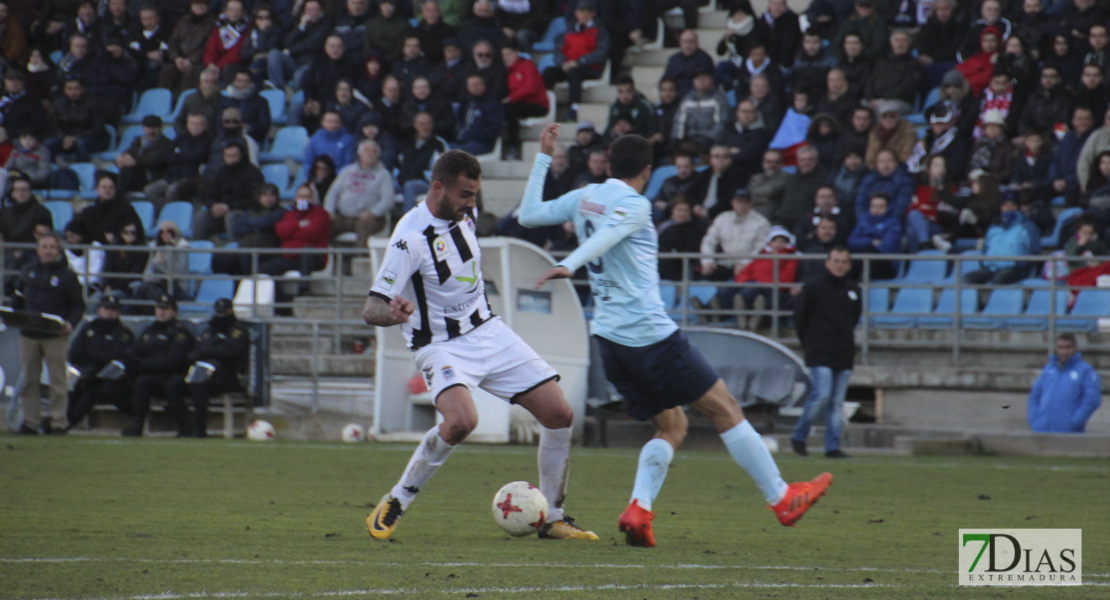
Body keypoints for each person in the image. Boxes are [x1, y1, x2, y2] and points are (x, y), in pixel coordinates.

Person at [518, 125, 831, 547]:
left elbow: (528, 215)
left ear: (609, 165)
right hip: (650, 337)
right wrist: (571, 264)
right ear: (647, 171)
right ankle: (781, 497)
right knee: (726, 409)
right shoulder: (636, 204)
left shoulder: (584, 197)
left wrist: (543, 156)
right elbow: (612, 234)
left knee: (671, 425)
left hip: (609, 341)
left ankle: (640, 510)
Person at [362, 148, 599, 542]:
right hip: (440, 345)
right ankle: (398, 499)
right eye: (466, 194)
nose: (473, 203)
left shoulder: (465, 215)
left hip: (489, 331)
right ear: (438, 188)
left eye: (475, 194)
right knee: (461, 422)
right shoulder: (408, 238)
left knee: (560, 414)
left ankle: (554, 517)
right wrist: (395, 314)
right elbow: (371, 308)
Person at [791, 246, 861, 458]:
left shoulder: (854, 290)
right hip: (819, 350)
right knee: (822, 395)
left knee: (837, 402)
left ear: (848, 265)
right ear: (827, 263)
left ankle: (832, 446)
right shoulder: (813, 287)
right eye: (836, 260)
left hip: (843, 352)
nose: (840, 265)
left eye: (844, 261)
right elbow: (800, 317)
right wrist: (809, 344)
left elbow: (855, 318)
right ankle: (799, 435)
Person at [13, 233, 85, 434]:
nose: (48, 250)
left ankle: (58, 423)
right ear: (37, 249)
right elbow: (17, 298)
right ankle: (30, 422)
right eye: (44, 246)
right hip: (29, 333)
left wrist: (71, 323)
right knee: (29, 380)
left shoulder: (67, 276)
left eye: (52, 246)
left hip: (55, 334)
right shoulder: (28, 271)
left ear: (58, 250)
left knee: (58, 382)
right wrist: (13, 317)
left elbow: (78, 305)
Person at [123, 293, 196, 437]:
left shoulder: (180, 333)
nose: (161, 311)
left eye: (166, 308)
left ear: (174, 312)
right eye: (159, 308)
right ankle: (137, 424)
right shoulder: (149, 330)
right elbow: (134, 351)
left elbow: (173, 361)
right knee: (137, 383)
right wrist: (130, 358)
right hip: (150, 375)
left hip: (173, 376)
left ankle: (184, 425)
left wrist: (142, 364)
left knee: (170, 385)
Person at [65, 295, 135, 431]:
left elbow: (118, 358)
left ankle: (67, 424)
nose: (109, 312)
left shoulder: (124, 333)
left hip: (110, 381)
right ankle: (59, 421)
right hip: (87, 375)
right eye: (106, 308)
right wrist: (91, 365)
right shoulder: (88, 329)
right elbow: (74, 354)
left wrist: (93, 360)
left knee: (93, 393)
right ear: (99, 310)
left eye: (113, 309)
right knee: (74, 388)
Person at [186, 298, 250, 438]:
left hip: (230, 376)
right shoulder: (210, 330)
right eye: (218, 312)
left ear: (230, 311)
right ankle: (186, 426)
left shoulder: (238, 330)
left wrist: (208, 351)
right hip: (207, 375)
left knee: (201, 381)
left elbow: (231, 352)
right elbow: (198, 350)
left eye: (224, 312)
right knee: (181, 382)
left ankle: (199, 427)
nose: (221, 316)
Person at [324, 139, 395, 248]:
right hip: (343, 216)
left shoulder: (383, 174)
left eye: (374, 151)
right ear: (359, 153)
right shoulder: (347, 171)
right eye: (367, 150)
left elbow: (388, 200)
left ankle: (360, 261)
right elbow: (333, 193)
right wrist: (329, 211)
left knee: (364, 226)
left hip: (371, 218)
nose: (370, 154)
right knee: (322, 224)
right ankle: (322, 260)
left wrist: (372, 212)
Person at [1028, 334, 1102, 433]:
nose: (1064, 352)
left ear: (1075, 348)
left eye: (1068, 347)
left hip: (1068, 433)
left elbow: (1092, 400)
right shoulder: (1048, 369)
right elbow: (1035, 395)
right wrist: (1034, 419)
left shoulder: (1085, 371)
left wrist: (1075, 422)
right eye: (1060, 347)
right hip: (1042, 431)